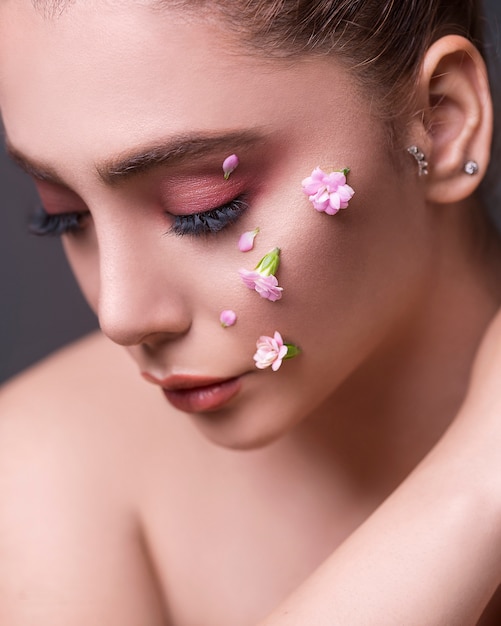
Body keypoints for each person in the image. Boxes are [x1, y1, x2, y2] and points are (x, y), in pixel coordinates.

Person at [1, 0, 501, 624]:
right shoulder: (45, 475)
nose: (120, 315)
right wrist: (477, 480)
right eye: (64, 215)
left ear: (440, 120)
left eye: (205, 207)